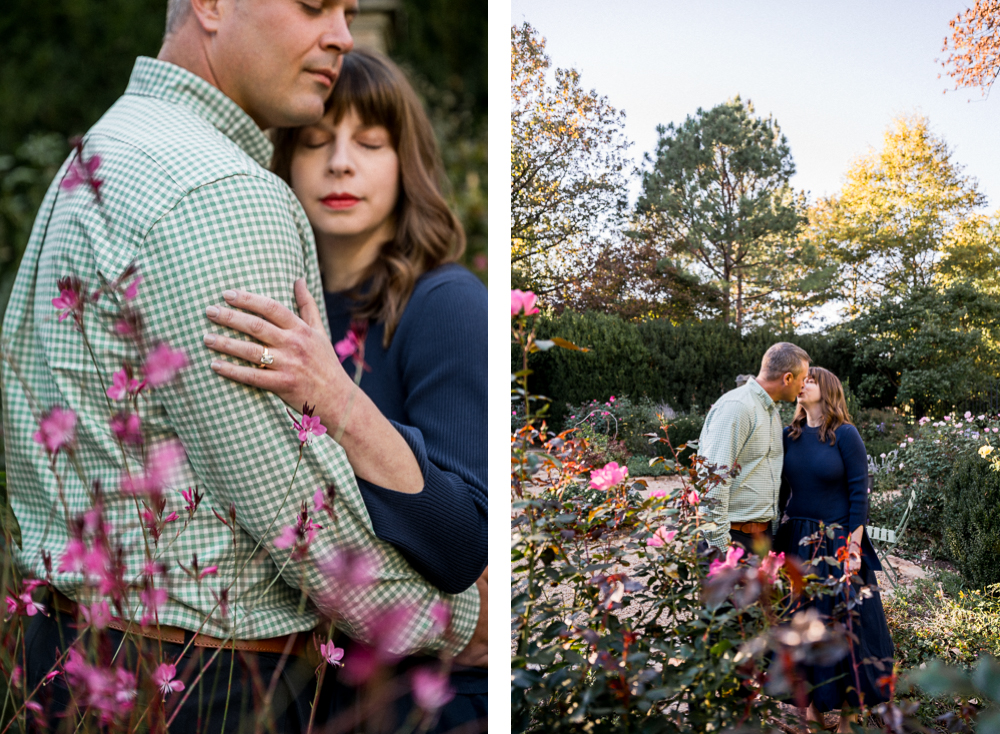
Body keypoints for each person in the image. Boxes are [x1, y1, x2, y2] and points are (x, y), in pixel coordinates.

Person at [1, 0, 485, 729]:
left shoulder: (103, 148)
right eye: (315, 4)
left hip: (71, 658)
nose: (342, 35)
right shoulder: (223, 194)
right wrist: (459, 618)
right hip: (200, 686)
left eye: (349, 10)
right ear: (214, 4)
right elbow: (297, 516)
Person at [201, 49, 487, 732]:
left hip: (423, 699)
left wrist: (336, 397)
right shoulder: (267, 306)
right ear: (283, 160)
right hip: (293, 686)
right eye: (316, 142)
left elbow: (463, 542)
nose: (340, 164)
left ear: (403, 162)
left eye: (370, 142)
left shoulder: (444, 303)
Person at [774, 367, 894, 732]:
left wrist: (853, 548)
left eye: (809, 380)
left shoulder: (845, 434)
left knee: (844, 628)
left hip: (838, 540)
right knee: (802, 625)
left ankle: (848, 715)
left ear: (826, 390)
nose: (801, 384)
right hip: (798, 540)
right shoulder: (788, 435)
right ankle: (812, 710)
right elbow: (781, 492)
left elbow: (860, 494)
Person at [697, 342, 811, 554]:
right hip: (732, 540)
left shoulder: (772, 413)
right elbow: (713, 482)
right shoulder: (738, 407)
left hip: (760, 539)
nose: (803, 386)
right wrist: (721, 550)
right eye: (802, 379)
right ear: (787, 378)